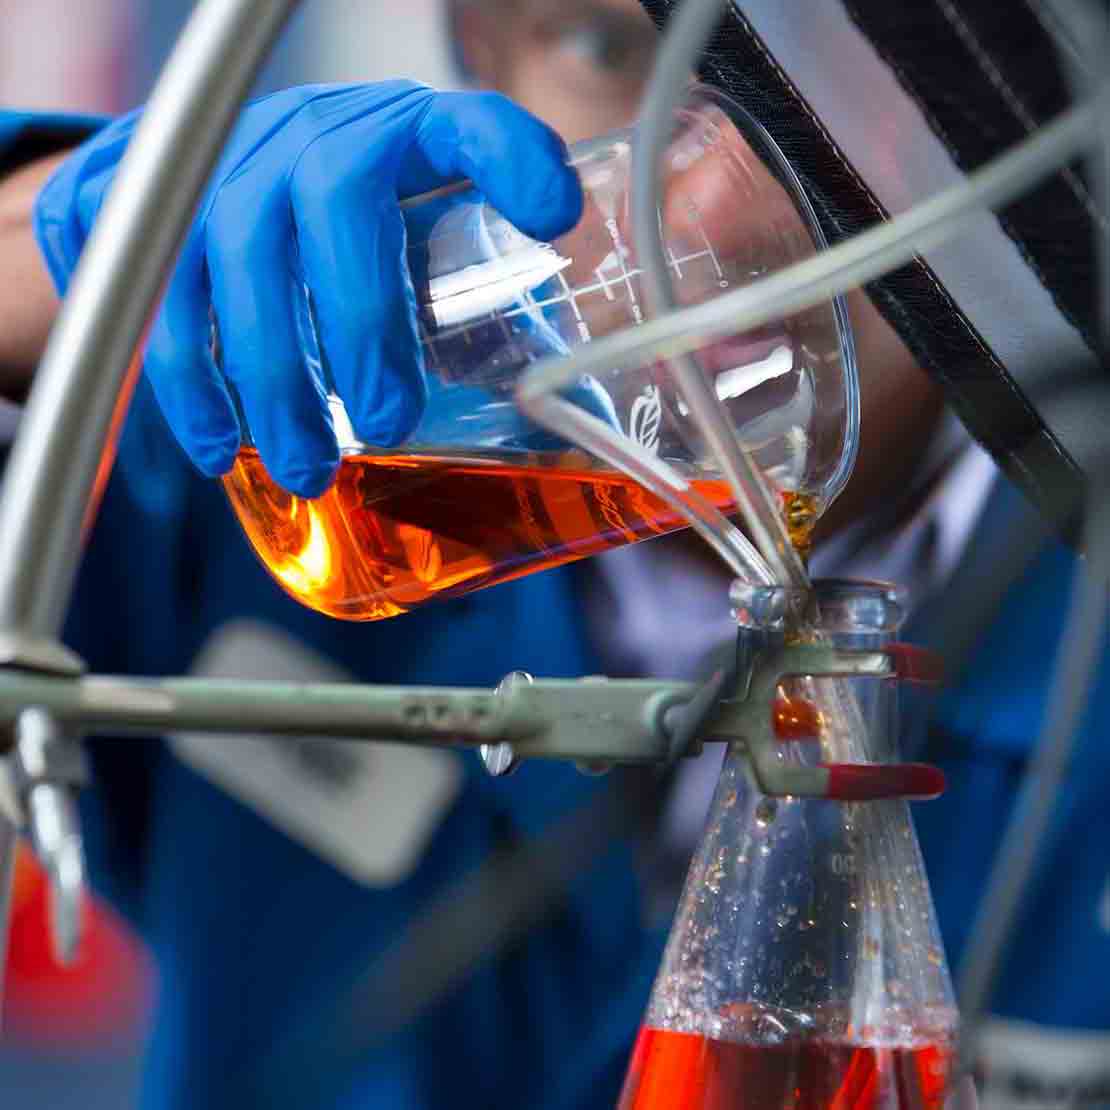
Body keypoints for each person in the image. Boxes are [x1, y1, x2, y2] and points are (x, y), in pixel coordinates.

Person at [1, 1, 1100, 1107]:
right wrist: (69, 248)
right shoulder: (254, 449)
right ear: (477, 54)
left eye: (828, 79)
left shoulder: (1080, 650)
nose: (712, 216)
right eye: (610, 48)